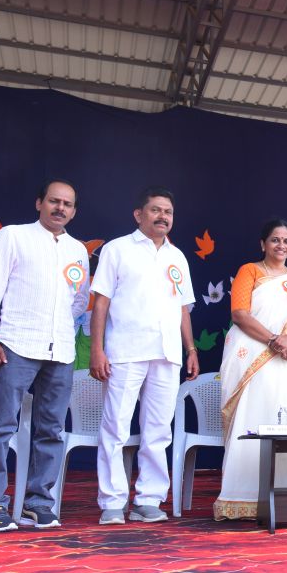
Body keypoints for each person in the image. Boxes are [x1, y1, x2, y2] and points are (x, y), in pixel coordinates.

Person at [0, 180, 90, 531]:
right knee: (1, 427)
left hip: (61, 349)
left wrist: (58, 327)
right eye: (54, 201)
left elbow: (79, 300)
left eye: (67, 204)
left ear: (74, 211)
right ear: (40, 203)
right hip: (17, 343)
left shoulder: (78, 250)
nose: (60, 208)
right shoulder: (13, 236)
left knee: (51, 430)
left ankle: (37, 503)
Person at [90, 187, 199, 525]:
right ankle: (112, 502)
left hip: (167, 353)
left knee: (158, 431)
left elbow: (183, 308)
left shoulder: (177, 256)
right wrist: (97, 349)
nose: (163, 216)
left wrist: (191, 348)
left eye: (168, 211)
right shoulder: (117, 249)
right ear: (139, 214)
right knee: (116, 428)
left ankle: (148, 499)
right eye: (155, 210)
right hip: (125, 351)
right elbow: (101, 302)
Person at [213, 219, 287, 520]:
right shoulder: (250, 271)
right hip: (252, 356)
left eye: (286, 241)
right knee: (251, 418)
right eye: (275, 240)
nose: (281, 246)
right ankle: (241, 499)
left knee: (284, 420)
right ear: (263, 244)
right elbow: (240, 314)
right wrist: (275, 340)